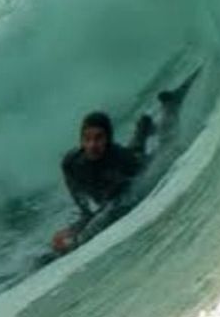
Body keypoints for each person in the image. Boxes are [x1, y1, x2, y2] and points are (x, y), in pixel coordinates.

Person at [48, 109, 156, 256]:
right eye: (86, 138)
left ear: (108, 139)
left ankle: (155, 119)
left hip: (126, 176)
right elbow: (85, 210)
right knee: (134, 149)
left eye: (98, 138)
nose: (92, 145)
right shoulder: (71, 164)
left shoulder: (119, 157)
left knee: (137, 152)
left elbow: (142, 176)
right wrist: (73, 230)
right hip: (108, 196)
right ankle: (143, 125)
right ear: (81, 140)